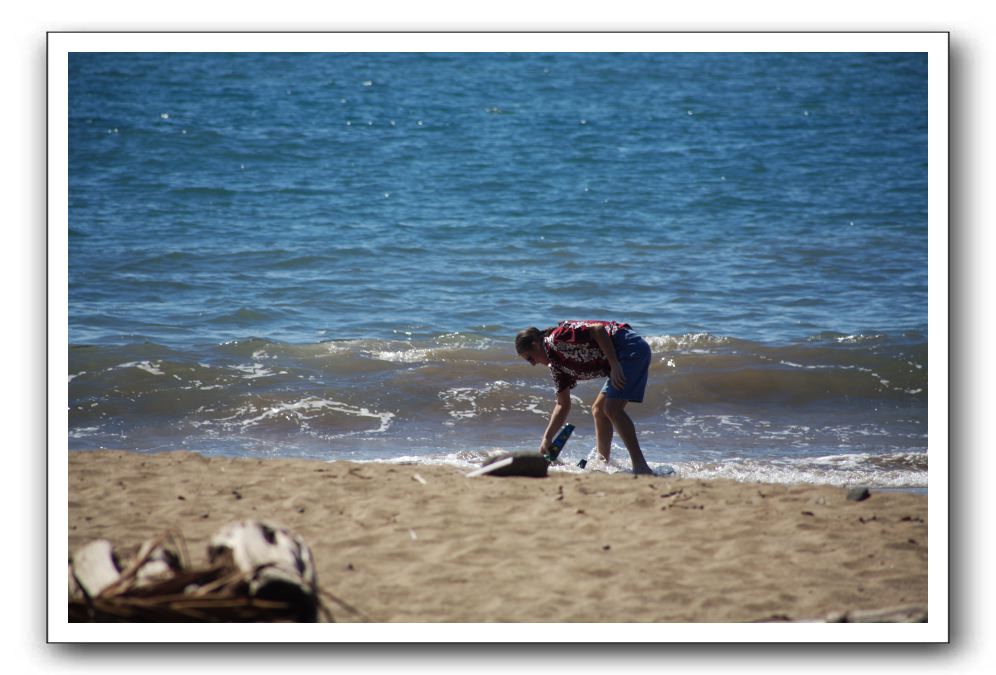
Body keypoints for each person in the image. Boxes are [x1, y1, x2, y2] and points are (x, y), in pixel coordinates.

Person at [515, 320, 654, 475]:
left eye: (530, 358)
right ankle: (603, 465)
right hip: (621, 356)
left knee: (612, 408)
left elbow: (598, 330)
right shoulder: (556, 367)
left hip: (630, 348)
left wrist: (614, 364)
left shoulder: (556, 339)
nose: (533, 364)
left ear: (535, 345)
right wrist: (547, 439)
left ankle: (641, 466)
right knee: (599, 410)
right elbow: (562, 404)